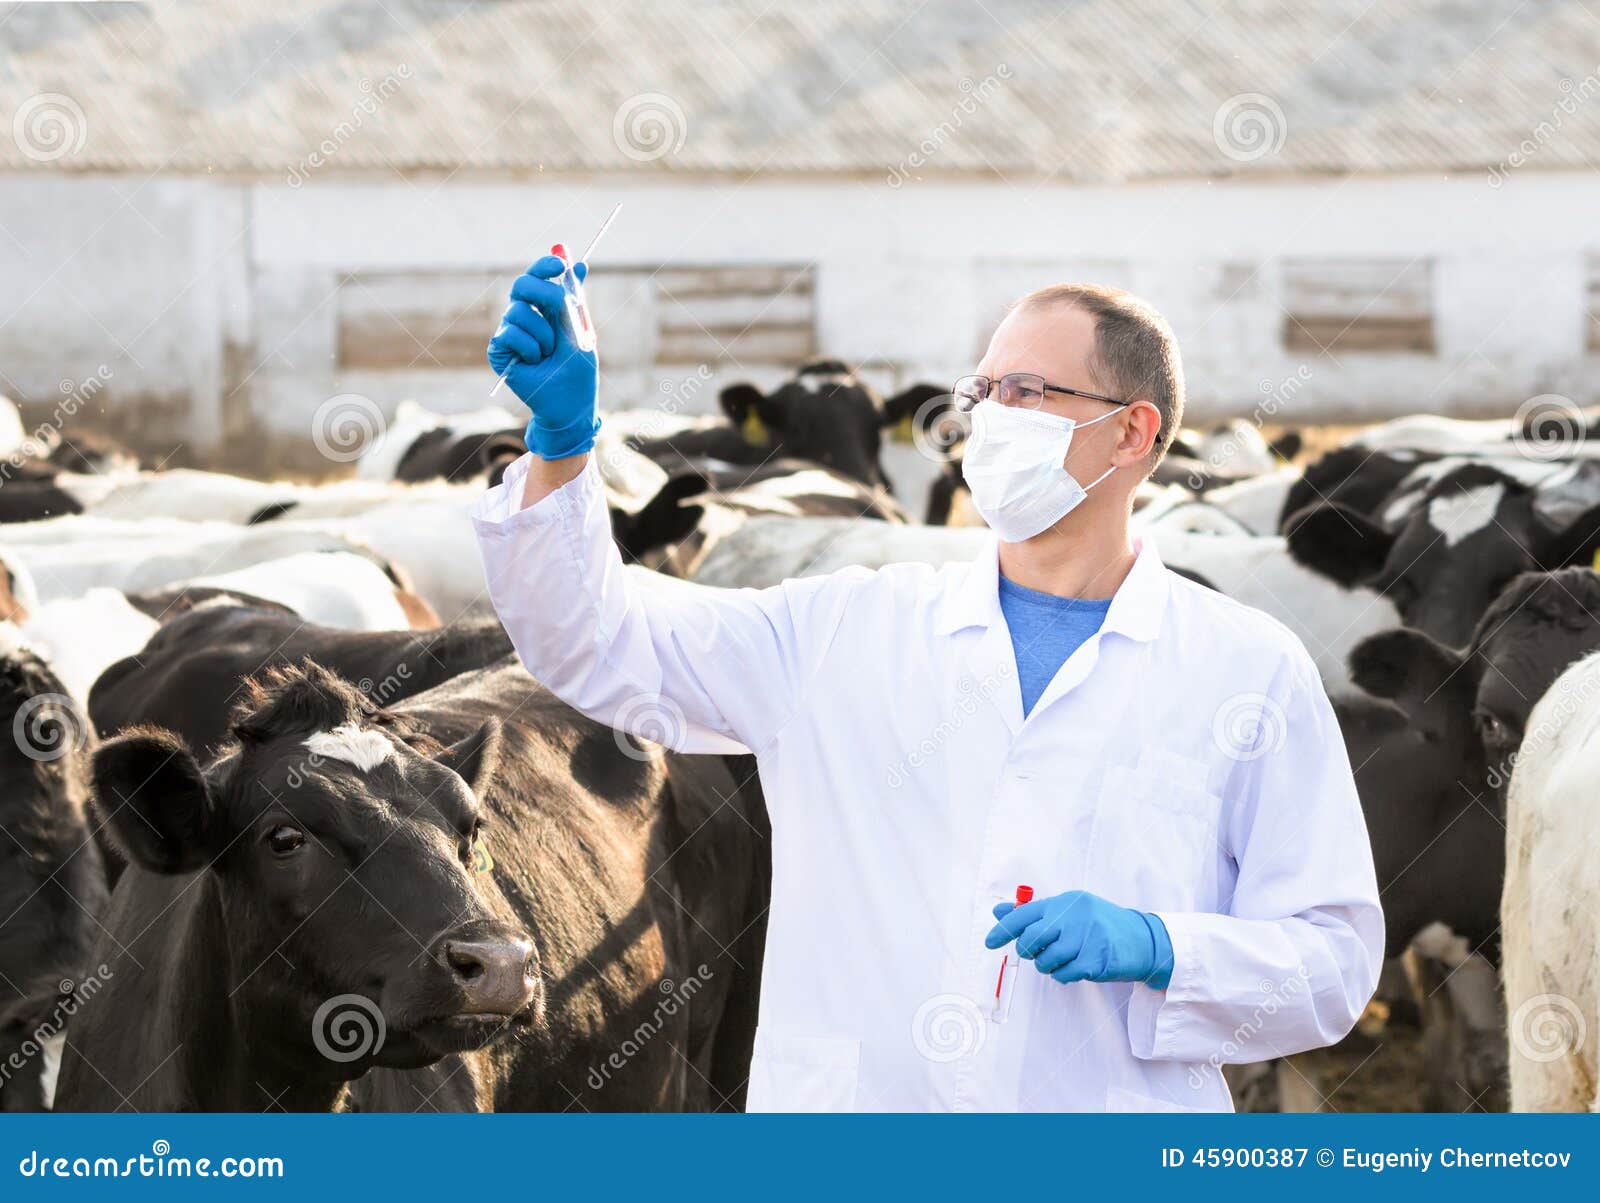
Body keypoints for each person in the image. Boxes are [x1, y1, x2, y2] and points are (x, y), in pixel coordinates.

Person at [473, 257, 1383, 1112]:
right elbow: (597, 638)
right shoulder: (845, 629)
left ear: (1133, 431)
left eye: (1026, 392)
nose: (988, 416)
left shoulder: (1246, 669)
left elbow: (1334, 964)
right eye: (981, 392)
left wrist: (1163, 947)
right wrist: (563, 446)